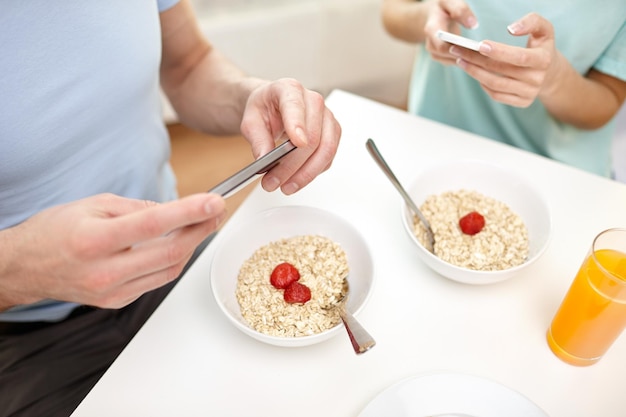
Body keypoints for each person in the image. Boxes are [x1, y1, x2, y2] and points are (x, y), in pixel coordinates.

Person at [0, 1, 341, 415]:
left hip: (170, 260)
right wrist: (18, 270)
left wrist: (248, 97)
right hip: (23, 331)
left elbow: (188, 63)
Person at [381, 0, 626, 177]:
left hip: (555, 173)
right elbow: (391, 12)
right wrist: (427, 17)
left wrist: (555, 79)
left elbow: (609, 98)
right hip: (435, 140)